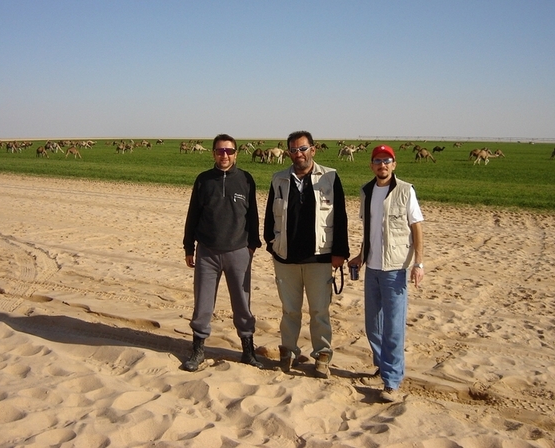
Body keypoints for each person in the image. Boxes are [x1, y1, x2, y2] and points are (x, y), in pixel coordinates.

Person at [264, 130, 349, 378]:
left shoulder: (330, 177)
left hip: (319, 257)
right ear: (288, 152)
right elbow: (270, 215)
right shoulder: (279, 178)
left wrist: (340, 252)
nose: (298, 154)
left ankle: (322, 356)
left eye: (303, 149)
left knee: (319, 311)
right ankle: (288, 353)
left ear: (313, 149)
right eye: (293, 150)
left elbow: (340, 216)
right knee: (290, 310)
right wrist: (272, 244)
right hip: (286, 257)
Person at [348, 144, 424, 403]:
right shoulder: (366, 191)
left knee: (393, 328)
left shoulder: (405, 190)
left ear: (394, 165)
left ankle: (391, 381)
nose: (382, 165)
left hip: (395, 269)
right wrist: (360, 254)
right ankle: (381, 366)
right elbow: (370, 229)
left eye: (387, 160)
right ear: (371, 165)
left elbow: (417, 228)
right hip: (373, 267)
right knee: (373, 325)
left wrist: (419, 263)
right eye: (378, 160)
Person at [182, 134, 263, 371]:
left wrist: (252, 245)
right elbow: (192, 215)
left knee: (242, 304)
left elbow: (253, 215)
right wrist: (189, 246)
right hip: (207, 252)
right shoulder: (204, 180)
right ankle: (197, 351)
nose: (224, 155)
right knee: (203, 304)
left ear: (236, 153)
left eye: (229, 151)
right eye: (220, 151)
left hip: (239, 251)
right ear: (213, 153)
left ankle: (248, 351)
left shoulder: (246, 180)